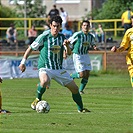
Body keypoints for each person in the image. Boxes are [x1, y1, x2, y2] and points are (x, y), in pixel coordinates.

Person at [19, 16, 90, 113]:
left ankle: (81, 109)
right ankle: (37, 100)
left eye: (58, 26)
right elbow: (31, 48)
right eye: (54, 26)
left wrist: (67, 46)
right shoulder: (44, 36)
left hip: (58, 69)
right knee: (44, 81)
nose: (55, 28)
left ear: (60, 27)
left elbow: (69, 53)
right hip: (45, 67)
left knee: (75, 89)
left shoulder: (62, 38)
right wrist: (23, 62)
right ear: (50, 25)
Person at [68, 20, 97, 94]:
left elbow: (93, 43)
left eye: (87, 26)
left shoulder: (90, 36)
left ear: (89, 27)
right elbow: (69, 41)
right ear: (81, 26)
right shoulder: (78, 34)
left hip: (85, 55)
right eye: (84, 25)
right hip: (78, 55)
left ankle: (80, 90)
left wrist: (94, 46)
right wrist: (66, 51)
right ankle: (70, 77)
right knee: (81, 74)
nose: (86, 27)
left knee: (87, 74)